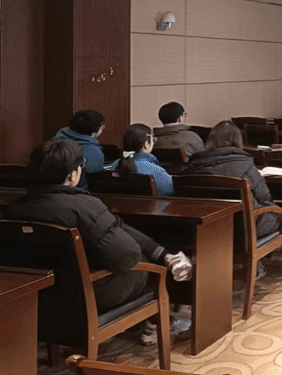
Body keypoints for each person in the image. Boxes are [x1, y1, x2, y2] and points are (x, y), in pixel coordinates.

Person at [4, 139, 192, 343]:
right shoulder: (86, 208)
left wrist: (159, 251)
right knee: (148, 267)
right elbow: (127, 257)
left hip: (38, 298)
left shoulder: (14, 209)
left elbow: (115, 226)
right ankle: (152, 325)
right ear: (72, 174)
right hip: (88, 297)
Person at [182, 121, 280, 238]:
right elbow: (265, 198)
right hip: (244, 230)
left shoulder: (193, 167)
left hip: (204, 229)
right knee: (278, 215)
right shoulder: (246, 165)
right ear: (238, 140)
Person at [111, 124, 174, 197]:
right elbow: (170, 193)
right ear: (146, 144)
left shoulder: (115, 164)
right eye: (153, 140)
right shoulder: (158, 171)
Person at [55, 109, 107, 189]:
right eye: (102, 126)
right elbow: (94, 181)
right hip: (76, 192)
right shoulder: (93, 152)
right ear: (94, 131)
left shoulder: (53, 143)